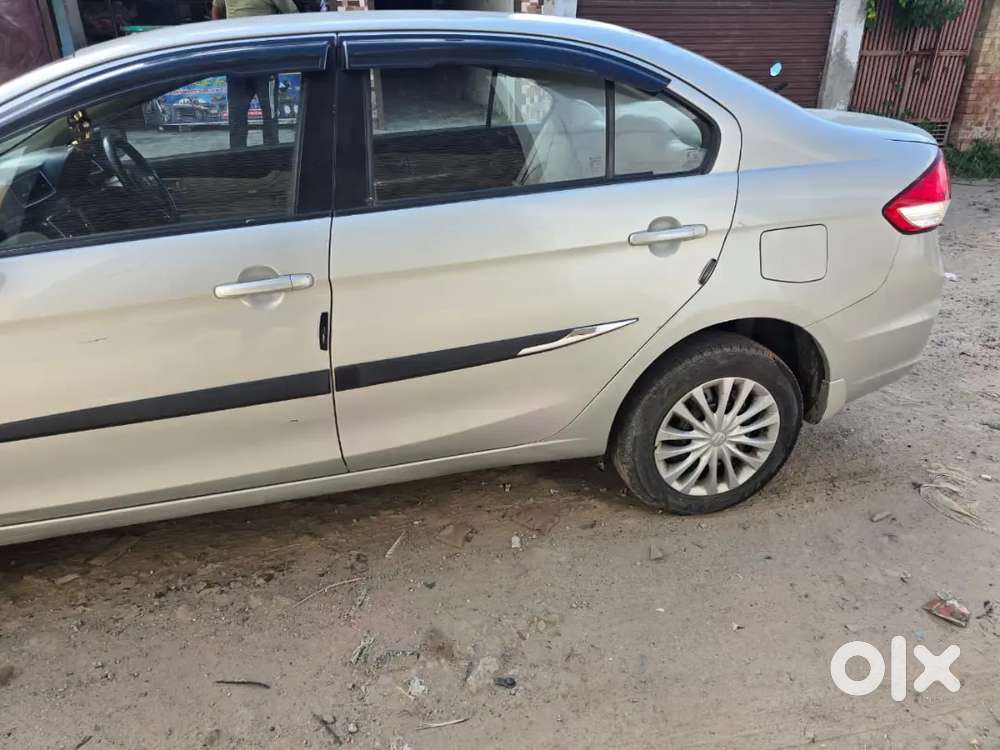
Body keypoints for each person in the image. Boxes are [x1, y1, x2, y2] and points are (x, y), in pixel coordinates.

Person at [211, 0, 299, 148]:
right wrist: (218, 36)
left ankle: (271, 161)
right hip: (236, 62)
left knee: (270, 116)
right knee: (236, 117)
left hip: (264, 61)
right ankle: (237, 159)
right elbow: (216, 8)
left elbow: (293, 15)